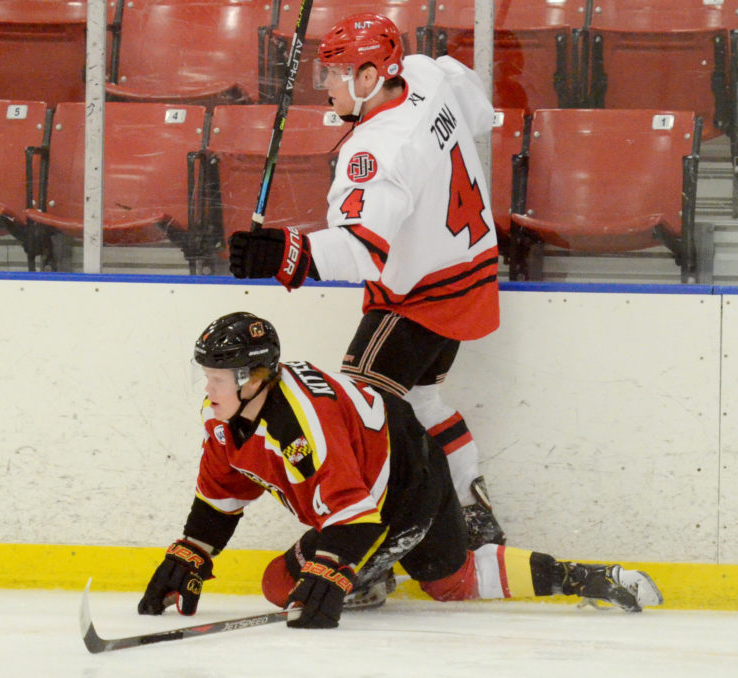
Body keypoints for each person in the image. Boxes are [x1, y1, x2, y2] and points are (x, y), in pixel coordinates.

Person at [137, 312, 663, 629]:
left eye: (219, 378)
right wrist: (190, 553)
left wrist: (331, 573)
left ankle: (586, 577)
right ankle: (373, 576)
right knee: (282, 585)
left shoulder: (303, 427)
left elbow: (358, 517)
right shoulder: (222, 416)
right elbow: (220, 495)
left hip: (407, 485)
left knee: (450, 584)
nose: (209, 389)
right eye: (205, 376)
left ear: (255, 378)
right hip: (367, 482)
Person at [227, 12, 505, 551]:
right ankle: (473, 509)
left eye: (336, 73)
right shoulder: (425, 73)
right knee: (422, 397)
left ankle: (382, 544)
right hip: (471, 270)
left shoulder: (373, 152)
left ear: (372, 76)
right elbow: (478, 109)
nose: (325, 85)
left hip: (421, 294)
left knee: (362, 410)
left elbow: (359, 253)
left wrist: (282, 252)